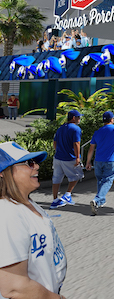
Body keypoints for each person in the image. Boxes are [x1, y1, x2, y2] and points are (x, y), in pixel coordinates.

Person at [0, 142, 67, 298]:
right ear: (3, 172)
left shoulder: (28, 204)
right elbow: (14, 286)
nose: (36, 167)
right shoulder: (6, 213)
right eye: (29, 163)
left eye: (35, 162)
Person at [85, 111, 114, 216]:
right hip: (110, 160)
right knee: (108, 180)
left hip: (98, 160)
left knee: (100, 181)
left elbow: (91, 148)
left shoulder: (97, 132)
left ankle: (100, 201)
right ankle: (97, 200)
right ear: (112, 119)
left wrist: (88, 162)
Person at [50, 110, 83, 209]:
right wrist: (77, 157)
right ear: (74, 118)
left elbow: (54, 142)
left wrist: (59, 151)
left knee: (56, 178)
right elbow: (76, 143)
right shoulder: (76, 129)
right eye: (78, 117)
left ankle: (55, 200)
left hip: (58, 157)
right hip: (69, 158)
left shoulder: (60, 128)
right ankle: (67, 194)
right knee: (77, 175)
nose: (79, 119)